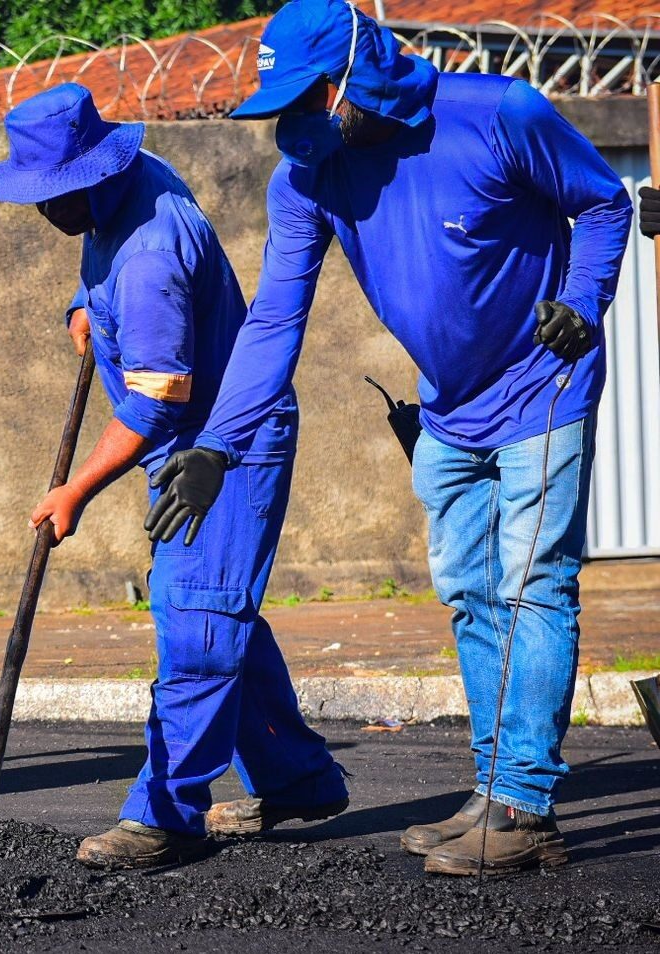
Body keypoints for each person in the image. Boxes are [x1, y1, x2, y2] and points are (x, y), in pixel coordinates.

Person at [145, 0, 630, 875]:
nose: (290, 126)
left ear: (352, 77)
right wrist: (217, 445)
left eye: (304, 101)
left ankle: (525, 807)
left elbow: (602, 206)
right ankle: (494, 792)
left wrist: (585, 304)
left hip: (542, 387)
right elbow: (273, 325)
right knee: (474, 597)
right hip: (447, 408)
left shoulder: (500, 115)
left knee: (532, 588)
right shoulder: (307, 179)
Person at [0, 83, 349, 869]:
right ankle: (301, 779)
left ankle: (165, 815)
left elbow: (155, 402)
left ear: (92, 177)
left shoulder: (149, 257)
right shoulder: (134, 180)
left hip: (221, 451)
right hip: (188, 440)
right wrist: (86, 305)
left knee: (198, 629)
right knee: (218, 615)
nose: (45, 213)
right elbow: (104, 276)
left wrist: (75, 490)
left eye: (54, 198)